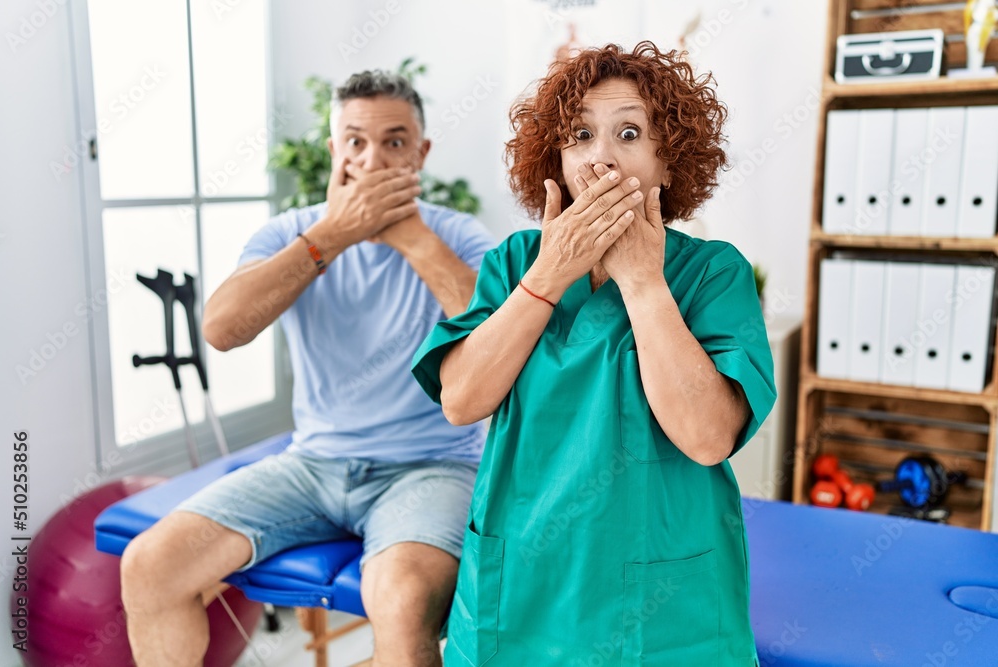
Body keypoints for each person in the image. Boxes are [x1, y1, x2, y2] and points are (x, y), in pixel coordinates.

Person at [411, 42, 776, 664]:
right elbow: (462, 399)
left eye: (629, 132)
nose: (600, 157)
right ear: (556, 157)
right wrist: (548, 277)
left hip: (660, 599)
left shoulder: (713, 274)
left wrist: (643, 283)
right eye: (580, 135)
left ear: (668, 160)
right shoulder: (513, 264)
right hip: (520, 583)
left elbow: (708, 437)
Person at [120, 70, 495, 667]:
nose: (372, 159)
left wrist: (413, 240)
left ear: (421, 153)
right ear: (333, 151)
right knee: (149, 565)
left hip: (432, 467)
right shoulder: (290, 234)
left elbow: (502, 343)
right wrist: (331, 236)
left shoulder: (458, 233)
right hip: (312, 465)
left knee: (401, 603)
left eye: (395, 142)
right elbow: (222, 328)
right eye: (355, 141)